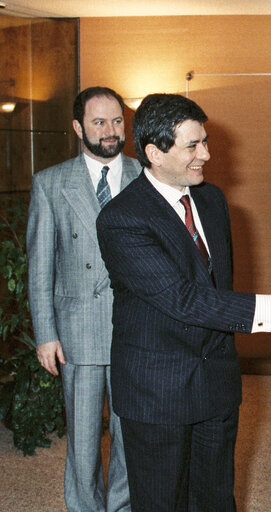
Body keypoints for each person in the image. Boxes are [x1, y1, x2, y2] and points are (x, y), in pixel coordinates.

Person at [95, 93, 271, 511]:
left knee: (215, 500)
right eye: (193, 146)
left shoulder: (212, 200)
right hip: (157, 393)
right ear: (154, 152)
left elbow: (216, 288)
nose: (206, 154)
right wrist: (267, 310)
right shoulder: (122, 218)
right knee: (161, 503)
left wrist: (267, 308)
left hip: (217, 385)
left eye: (204, 141)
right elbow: (182, 298)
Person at [27, 86, 140, 512]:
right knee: (83, 439)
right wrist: (45, 335)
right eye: (98, 122)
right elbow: (40, 267)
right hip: (78, 331)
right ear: (78, 127)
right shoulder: (51, 183)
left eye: (116, 121)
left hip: (135, 330)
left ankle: (123, 507)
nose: (110, 131)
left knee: (132, 434)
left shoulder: (146, 175)